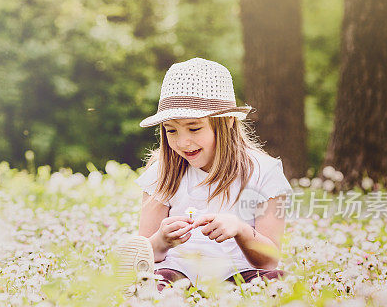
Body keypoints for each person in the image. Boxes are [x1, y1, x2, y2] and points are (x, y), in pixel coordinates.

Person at [115, 58, 293, 293]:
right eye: (171, 130)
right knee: (153, 281)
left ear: (228, 121)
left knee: (277, 282)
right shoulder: (163, 171)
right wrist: (162, 240)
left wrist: (239, 229)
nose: (182, 142)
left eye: (194, 128)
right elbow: (145, 253)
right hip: (178, 273)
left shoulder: (264, 172)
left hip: (241, 274)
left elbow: (269, 261)